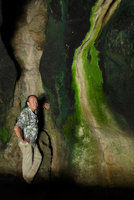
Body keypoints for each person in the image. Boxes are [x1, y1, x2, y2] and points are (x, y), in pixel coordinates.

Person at [14, 95, 50, 184]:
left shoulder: (34, 110)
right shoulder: (25, 113)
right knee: (27, 167)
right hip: (27, 145)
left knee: (39, 157)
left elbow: (39, 106)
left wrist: (43, 105)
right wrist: (22, 139)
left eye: (36, 102)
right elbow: (16, 128)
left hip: (33, 142)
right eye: (33, 102)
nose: (35, 103)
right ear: (28, 104)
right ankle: (26, 183)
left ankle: (28, 180)